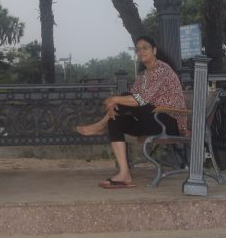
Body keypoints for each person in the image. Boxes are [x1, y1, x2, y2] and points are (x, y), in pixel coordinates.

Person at [76, 35, 188, 188]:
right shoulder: (142, 76)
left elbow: (140, 99)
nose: (141, 52)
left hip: (168, 121)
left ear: (154, 50)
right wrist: (114, 103)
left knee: (123, 98)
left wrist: (115, 99)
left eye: (145, 48)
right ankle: (124, 174)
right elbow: (131, 100)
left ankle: (99, 126)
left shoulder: (162, 69)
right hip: (152, 120)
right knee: (116, 120)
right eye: (138, 49)